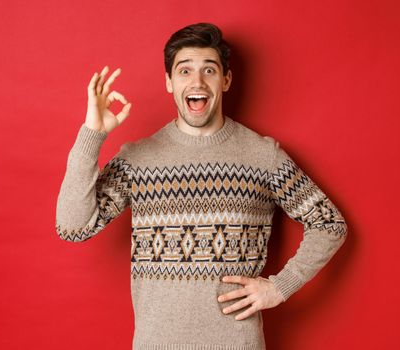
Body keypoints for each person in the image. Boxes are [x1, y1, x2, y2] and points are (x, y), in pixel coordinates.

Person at [55, 22, 348, 350]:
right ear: (169, 82)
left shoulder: (262, 155)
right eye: (184, 71)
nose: (197, 81)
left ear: (225, 80)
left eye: (209, 70)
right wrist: (92, 132)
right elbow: (72, 227)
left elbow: (328, 223)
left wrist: (280, 287)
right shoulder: (138, 159)